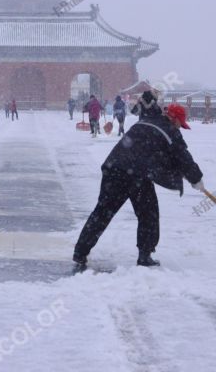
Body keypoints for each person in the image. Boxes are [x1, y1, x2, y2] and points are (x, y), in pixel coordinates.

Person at [73, 103, 204, 271]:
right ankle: (145, 255)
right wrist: (196, 178)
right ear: (174, 119)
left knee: (102, 212)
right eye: (180, 123)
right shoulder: (169, 130)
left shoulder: (145, 121)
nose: (180, 127)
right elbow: (182, 156)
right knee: (148, 213)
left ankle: (80, 251)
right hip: (136, 174)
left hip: (113, 168)